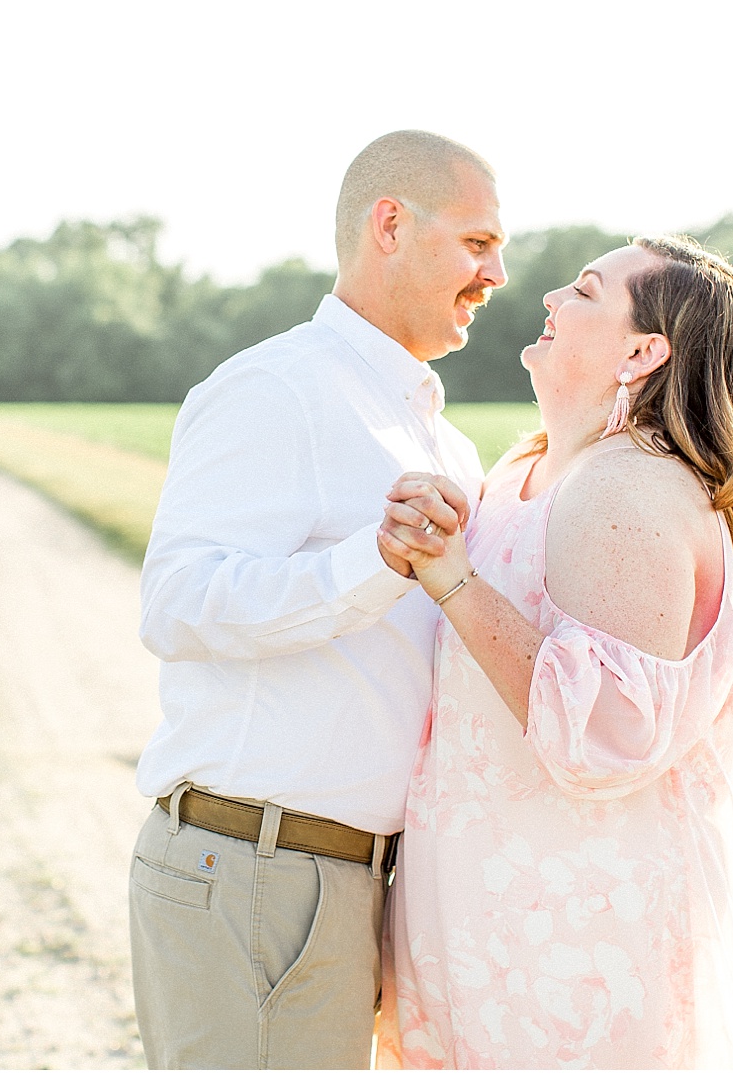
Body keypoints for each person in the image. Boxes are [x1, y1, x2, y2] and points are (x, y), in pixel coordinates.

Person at [373, 236, 733, 1068]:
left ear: (644, 350)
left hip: (575, 961)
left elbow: (599, 733)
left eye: (587, 289)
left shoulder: (630, 486)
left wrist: (452, 577)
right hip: (493, 938)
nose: (551, 296)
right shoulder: (526, 469)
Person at [129, 130, 506, 1069]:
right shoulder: (276, 389)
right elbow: (176, 603)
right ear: (390, 223)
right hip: (256, 870)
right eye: (477, 242)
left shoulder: (444, 445)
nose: (497, 273)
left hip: (352, 883)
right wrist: (372, 562)